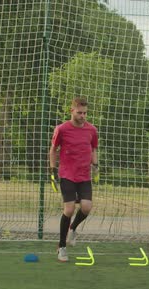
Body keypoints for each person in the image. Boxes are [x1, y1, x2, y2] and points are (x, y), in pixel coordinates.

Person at [49, 97, 99, 262]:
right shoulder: (62, 129)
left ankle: (73, 228)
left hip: (84, 175)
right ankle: (62, 247)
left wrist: (96, 166)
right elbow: (53, 150)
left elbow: (93, 149)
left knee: (86, 207)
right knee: (69, 210)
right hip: (67, 174)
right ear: (72, 111)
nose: (83, 116)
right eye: (79, 113)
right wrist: (52, 170)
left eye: (85, 113)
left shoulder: (92, 130)